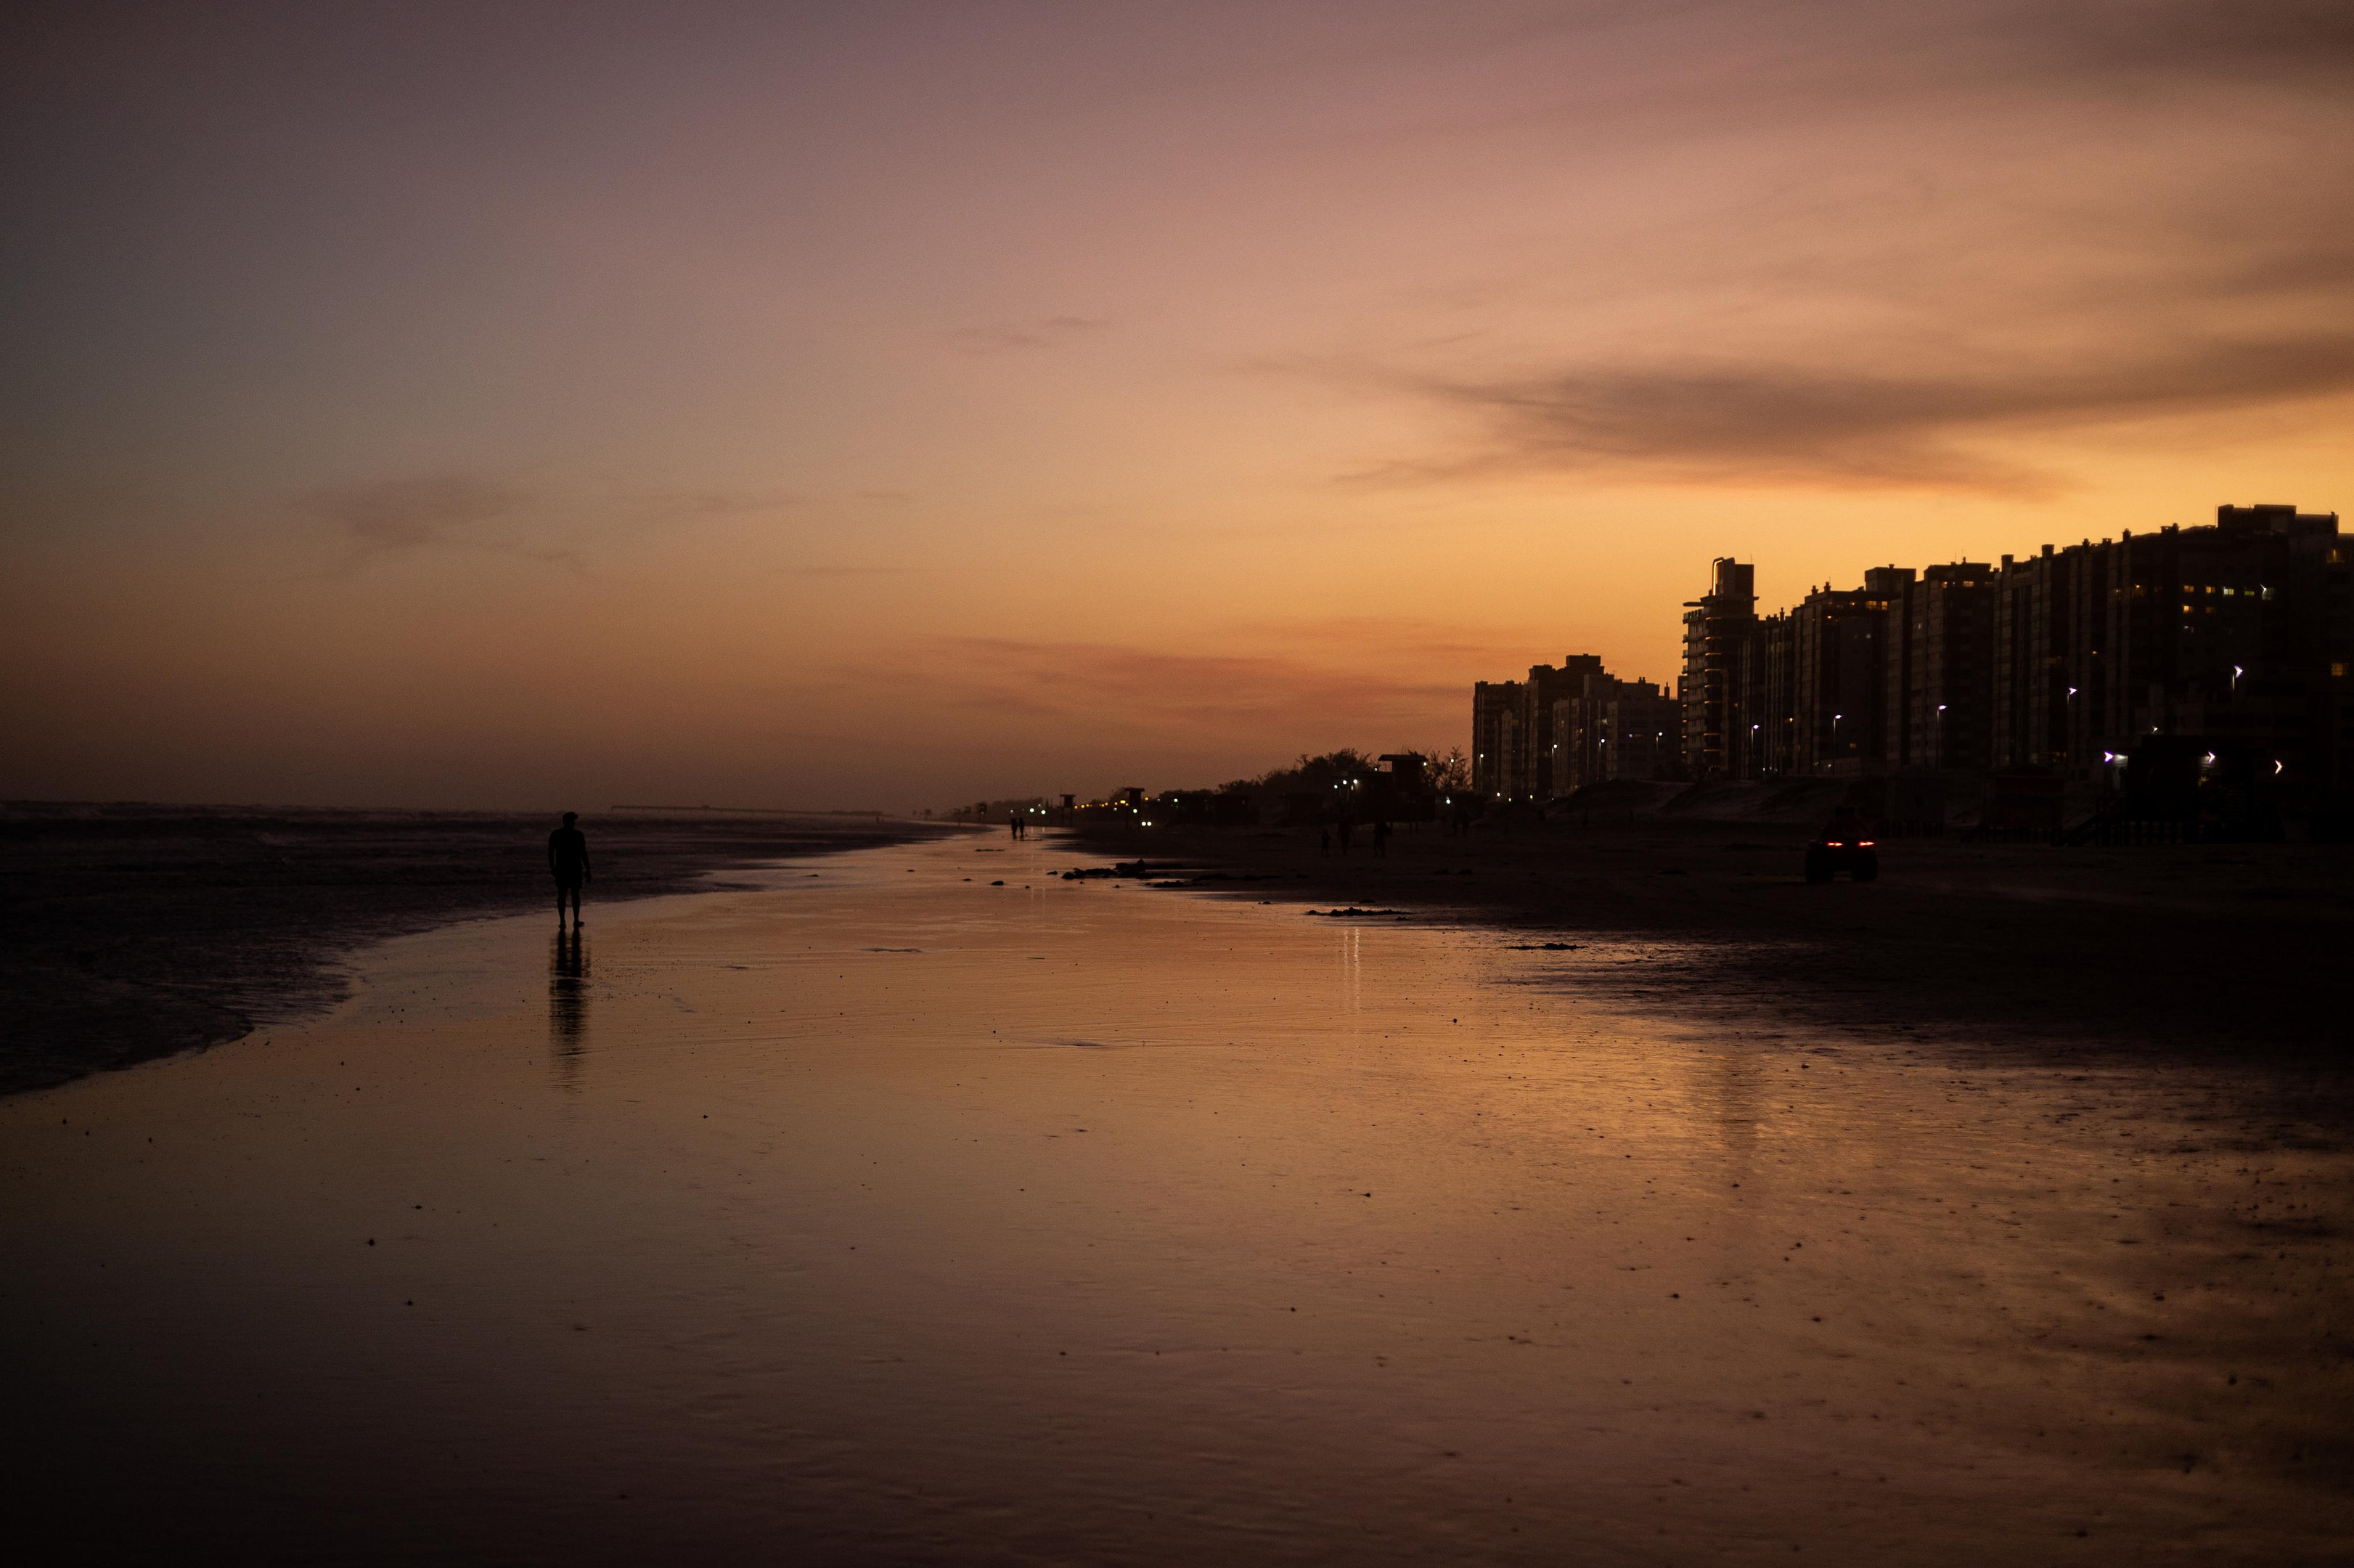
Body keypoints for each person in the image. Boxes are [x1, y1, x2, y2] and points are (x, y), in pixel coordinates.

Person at [547, 812, 590, 928]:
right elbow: (583, 854)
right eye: (573, 821)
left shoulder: (556, 834)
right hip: (574, 868)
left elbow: (550, 853)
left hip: (562, 868)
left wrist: (552, 867)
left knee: (562, 894)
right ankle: (575, 920)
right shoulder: (578, 835)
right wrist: (588, 869)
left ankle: (563, 921)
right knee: (574, 894)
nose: (574, 823)